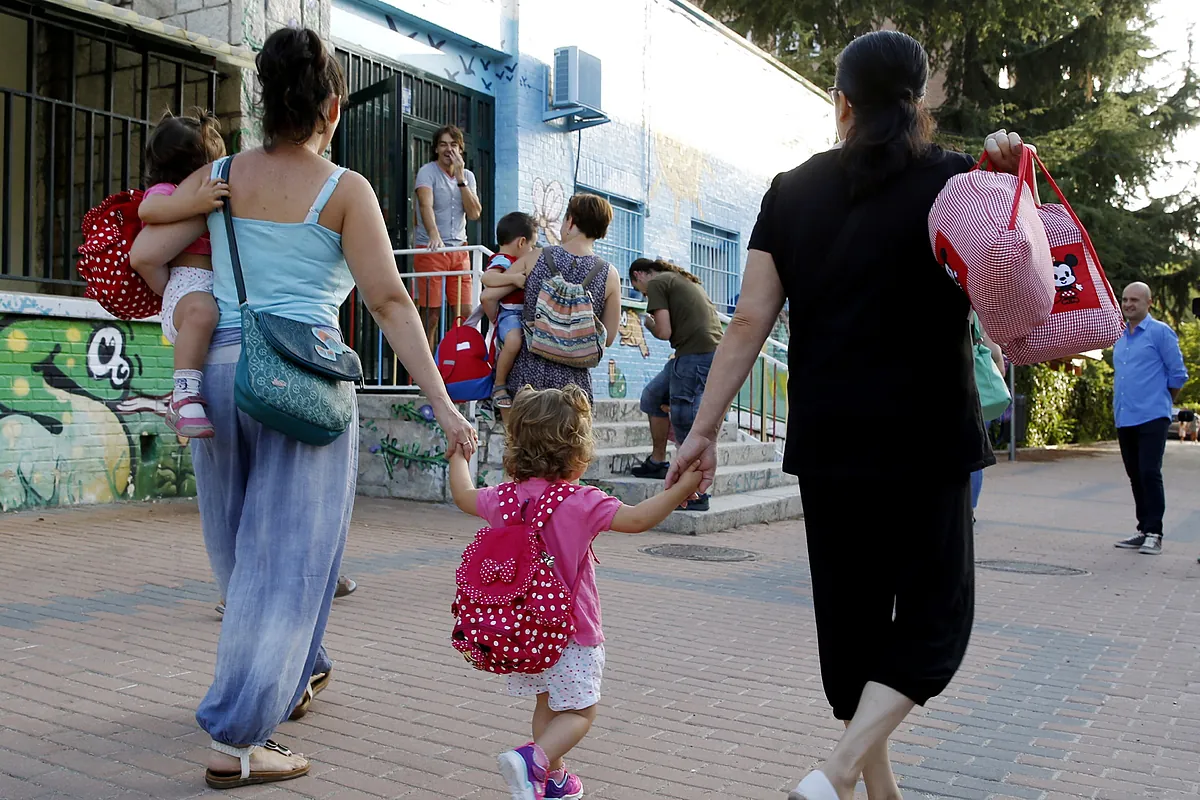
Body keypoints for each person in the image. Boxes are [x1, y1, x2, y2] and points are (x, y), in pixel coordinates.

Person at [664, 31, 1024, 800]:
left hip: (831, 444)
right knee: (933, 628)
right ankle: (832, 776)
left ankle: (864, 789)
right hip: (926, 438)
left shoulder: (791, 189)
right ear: (919, 101)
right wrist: (1006, 177)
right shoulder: (956, 182)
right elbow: (1015, 288)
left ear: (842, 103)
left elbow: (748, 322)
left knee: (856, 634)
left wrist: (701, 430)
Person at [129, 26, 477, 789]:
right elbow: (389, 300)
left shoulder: (218, 174)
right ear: (333, 103)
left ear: (261, 99)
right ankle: (241, 736)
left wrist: (184, 310)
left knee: (236, 544)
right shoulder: (344, 189)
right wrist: (444, 406)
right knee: (289, 558)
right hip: (303, 383)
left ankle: (295, 670)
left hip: (219, 371)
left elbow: (150, 251)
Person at [447, 385, 702, 800]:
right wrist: (679, 489)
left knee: (548, 705)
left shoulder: (502, 498)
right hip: (572, 632)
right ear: (577, 448)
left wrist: (459, 454)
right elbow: (637, 520)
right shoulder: (581, 501)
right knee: (581, 711)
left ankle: (552, 779)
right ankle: (534, 762)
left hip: (524, 628)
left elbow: (462, 494)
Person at [133, 109, 229, 438]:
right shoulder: (165, 192)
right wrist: (196, 203)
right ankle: (183, 394)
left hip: (212, 285)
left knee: (208, 311)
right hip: (188, 284)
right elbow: (148, 210)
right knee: (202, 312)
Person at [502, 194, 623, 404]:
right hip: (575, 386)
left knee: (525, 436)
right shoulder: (609, 274)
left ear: (570, 221)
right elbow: (608, 337)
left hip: (529, 376)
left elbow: (491, 292)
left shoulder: (535, 256)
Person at [627, 258, 723, 512]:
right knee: (652, 397)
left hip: (696, 354)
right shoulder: (676, 279)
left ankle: (693, 491)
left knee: (683, 418)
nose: (643, 294)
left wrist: (647, 322)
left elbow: (664, 331)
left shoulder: (658, 282)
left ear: (639, 275)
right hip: (696, 352)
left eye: (639, 289)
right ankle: (658, 463)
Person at [1112, 281, 1188, 556]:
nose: (1128, 304)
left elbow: (1177, 374)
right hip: (1125, 416)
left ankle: (1155, 532)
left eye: (1135, 300)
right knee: (1135, 475)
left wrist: (1162, 400)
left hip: (1153, 415)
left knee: (1149, 472)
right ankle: (1143, 528)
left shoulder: (1160, 333)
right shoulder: (1119, 335)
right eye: (1125, 299)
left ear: (1148, 303)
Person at [414, 125, 482, 348]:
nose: (448, 149)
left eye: (453, 145)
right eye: (443, 144)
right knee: (431, 314)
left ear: (460, 149)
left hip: (459, 251)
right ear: (435, 149)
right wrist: (434, 235)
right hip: (432, 250)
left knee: (465, 314)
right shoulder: (427, 171)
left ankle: (459, 368)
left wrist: (461, 178)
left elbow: (474, 213)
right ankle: (422, 374)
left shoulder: (468, 176)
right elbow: (426, 205)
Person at [480, 211, 539, 409]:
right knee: (514, 341)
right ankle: (499, 383)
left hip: (522, 313)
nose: (532, 251)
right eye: (532, 246)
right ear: (522, 242)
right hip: (511, 313)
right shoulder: (503, 260)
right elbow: (487, 278)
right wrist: (513, 278)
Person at [970, 310, 1005, 518]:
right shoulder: (980, 310)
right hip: (980, 398)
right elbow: (996, 355)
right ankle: (970, 509)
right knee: (975, 453)